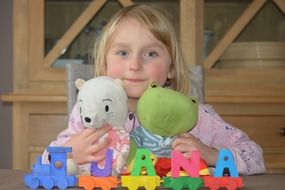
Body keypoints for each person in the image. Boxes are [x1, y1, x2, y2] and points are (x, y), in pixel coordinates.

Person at [43, 4, 265, 175]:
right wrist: (69, 152)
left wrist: (212, 155)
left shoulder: (198, 119)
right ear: (104, 65)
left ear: (171, 68)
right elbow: (45, 162)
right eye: (123, 52)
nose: (135, 65)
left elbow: (255, 156)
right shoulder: (88, 116)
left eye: (150, 54)